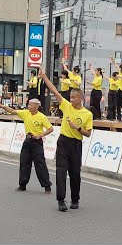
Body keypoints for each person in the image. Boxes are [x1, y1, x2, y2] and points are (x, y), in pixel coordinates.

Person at [39, 67, 93, 212]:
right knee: (61, 171)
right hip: (63, 142)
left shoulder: (87, 114)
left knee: (75, 173)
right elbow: (54, 91)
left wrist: (78, 128)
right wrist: (44, 77)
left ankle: (75, 199)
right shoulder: (66, 106)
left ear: (80, 98)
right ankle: (61, 200)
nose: (71, 100)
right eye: (70, 98)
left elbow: (88, 133)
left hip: (76, 144)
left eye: (74, 98)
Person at [0, 98, 53, 193]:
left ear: (36, 106)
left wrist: (40, 135)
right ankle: (22, 185)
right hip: (27, 141)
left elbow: (50, 129)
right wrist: (3, 106)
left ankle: (46, 186)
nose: (29, 106)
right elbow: (12, 111)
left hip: (37, 142)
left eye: (31, 105)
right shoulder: (25, 113)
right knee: (24, 162)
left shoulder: (42, 117)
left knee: (40, 164)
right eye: (29, 104)